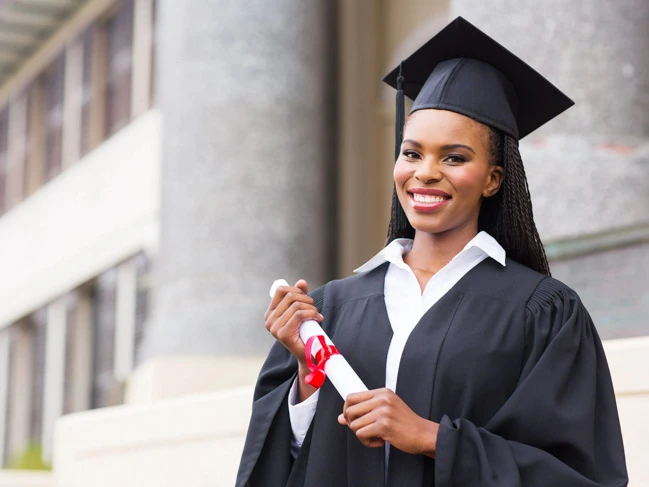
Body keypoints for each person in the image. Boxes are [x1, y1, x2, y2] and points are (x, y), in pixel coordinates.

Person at [235, 16, 628, 487]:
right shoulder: (330, 309)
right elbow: (277, 465)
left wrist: (432, 438)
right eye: (412, 153)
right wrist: (307, 374)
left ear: (493, 179)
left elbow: (579, 476)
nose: (425, 173)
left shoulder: (543, 313)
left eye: (454, 157)